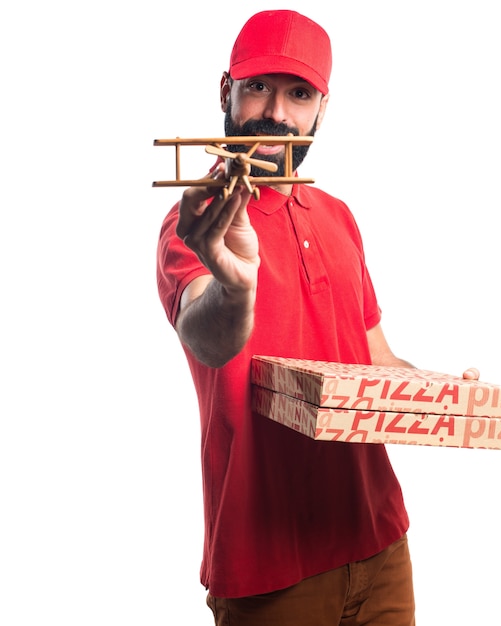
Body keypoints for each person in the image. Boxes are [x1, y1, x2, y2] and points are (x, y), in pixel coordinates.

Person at [156, 9, 478, 625]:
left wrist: (442, 393)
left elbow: (375, 359)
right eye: (258, 88)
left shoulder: (339, 215)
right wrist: (237, 285)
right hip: (268, 567)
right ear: (226, 90)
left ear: (322, 109)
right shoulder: (196, 223)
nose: (277, 111)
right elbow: (209, 339)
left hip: (379, 540)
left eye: (299, 94)